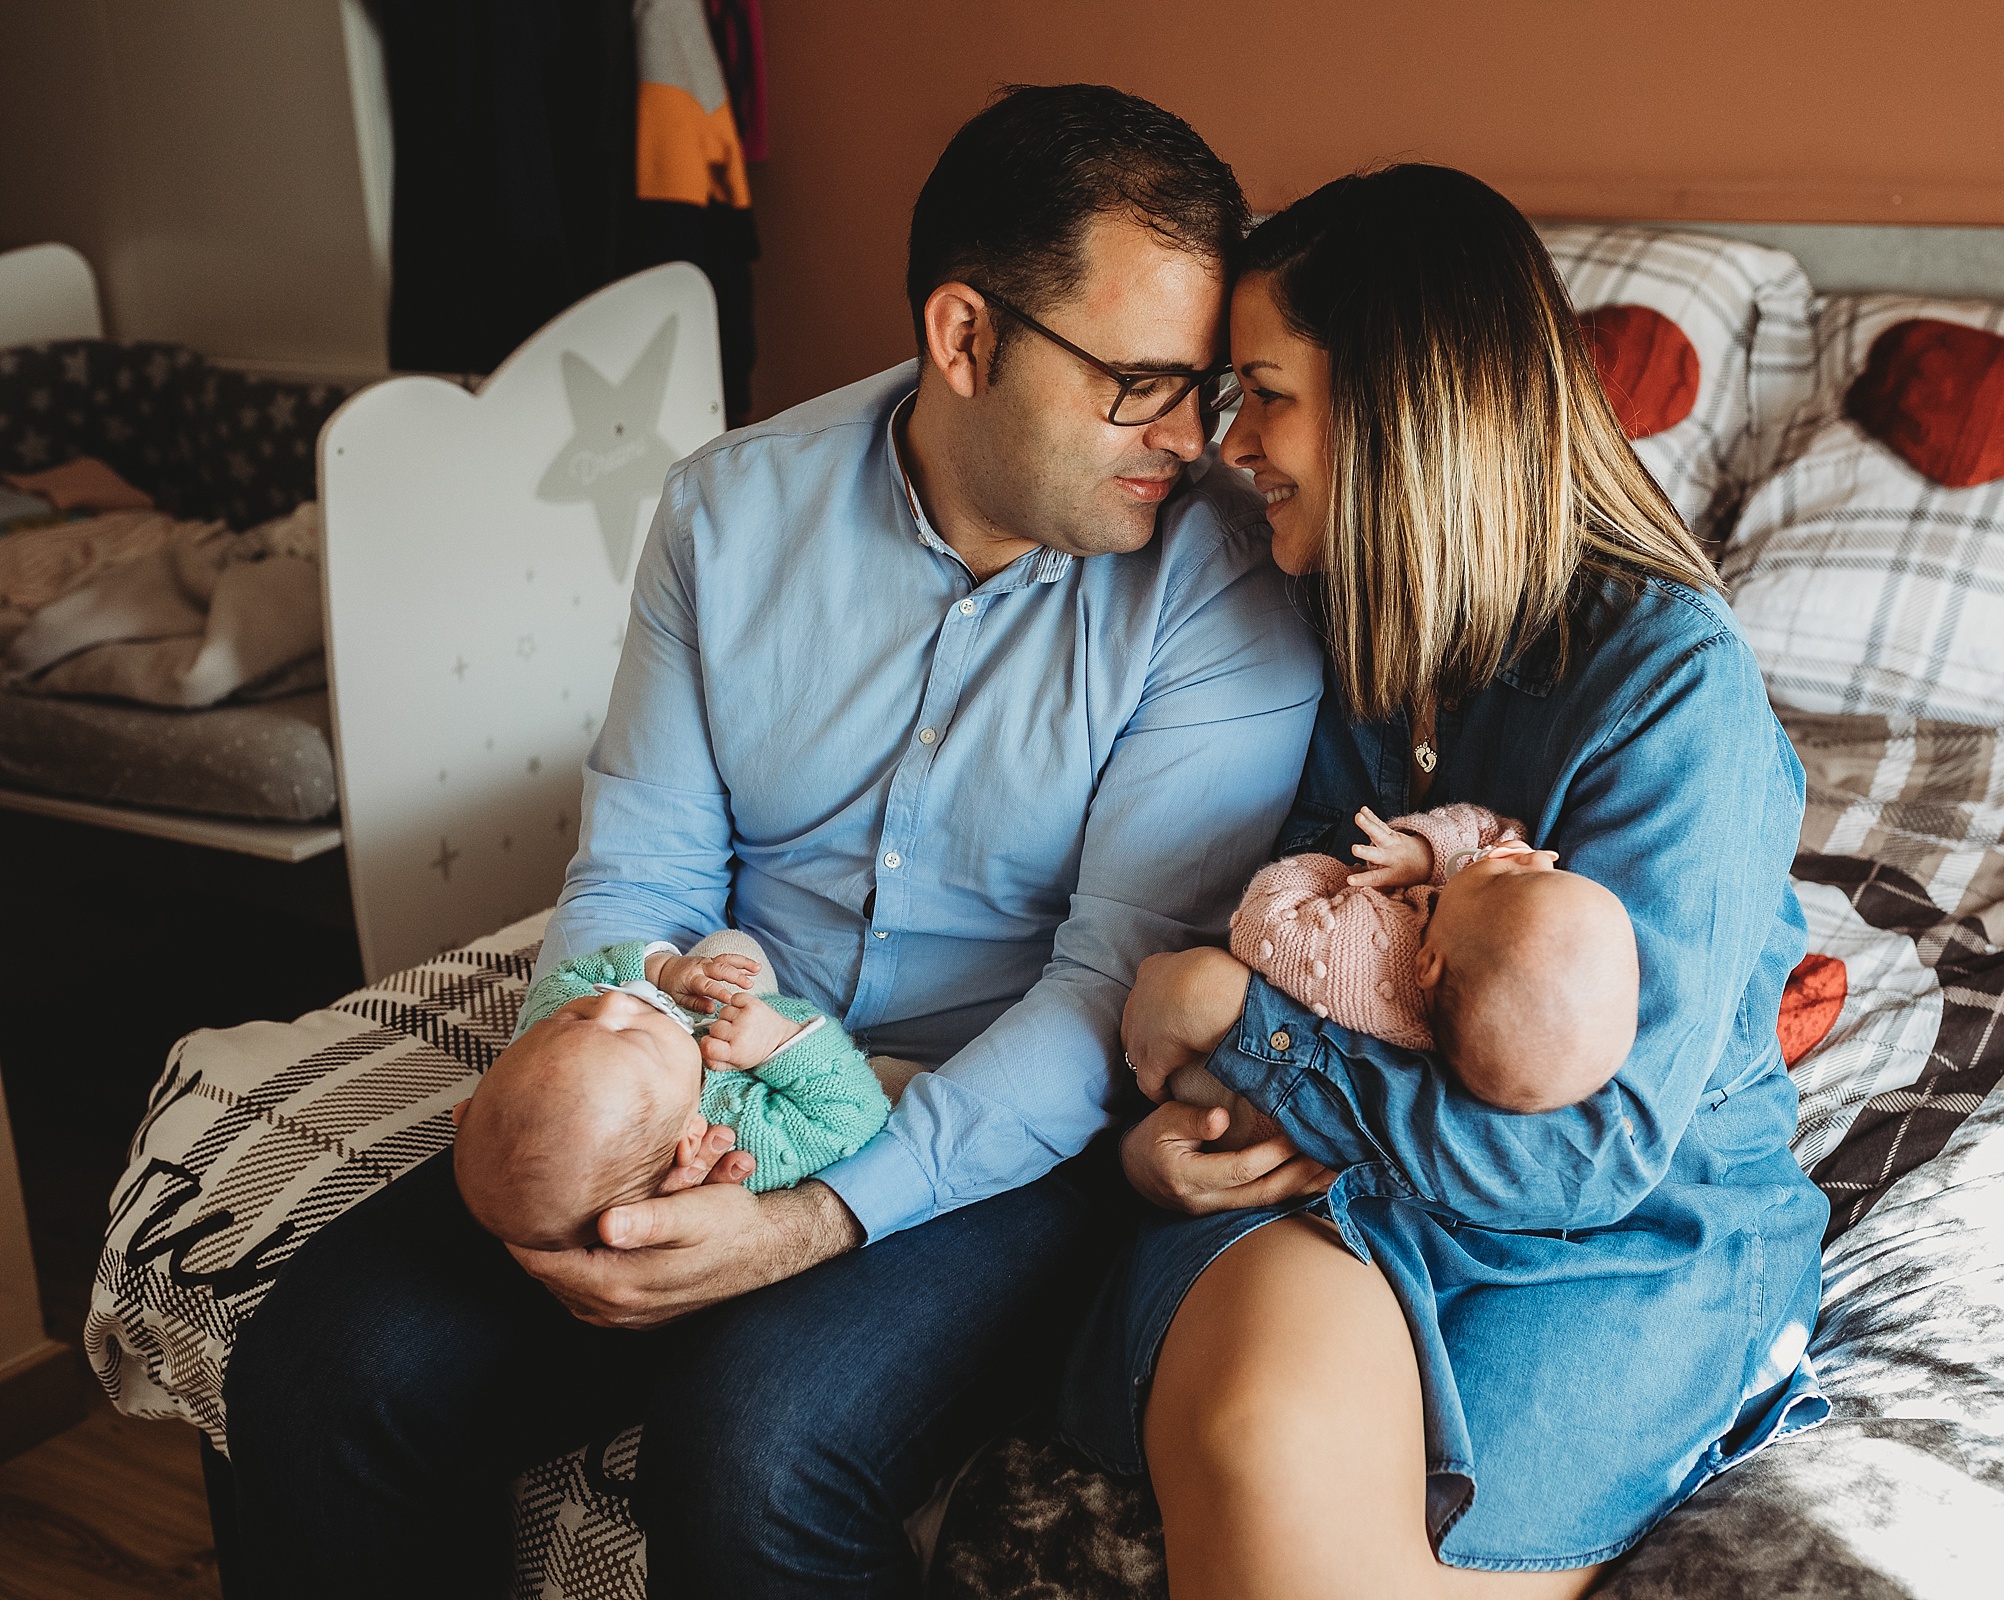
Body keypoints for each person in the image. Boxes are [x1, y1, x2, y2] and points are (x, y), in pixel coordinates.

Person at [222, 84, 1324, 1597]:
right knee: (321, 1364)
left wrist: (810, 1221)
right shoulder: (729, 517)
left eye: (1205, 388)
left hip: (1003, 1123)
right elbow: (643, 869)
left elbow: (1105, 992)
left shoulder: (1225, 592)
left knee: (751, 1449)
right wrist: (624, 1118)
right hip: (723, 1065)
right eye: (1140, 383)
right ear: (964, 337)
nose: (1187, 439)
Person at [1066, 165, 1831, 1599]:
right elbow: (1215, 955)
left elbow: (1586, 1156)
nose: (1233, 447)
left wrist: (1250, 1035)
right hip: (1347, 1180)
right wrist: (1149, 1145)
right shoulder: (1330, 628)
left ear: (1402, 402)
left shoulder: (1672, 689)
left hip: (1619, 1234)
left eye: (1265, 393)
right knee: (1254, 1436)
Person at [1157, 802, 1639, 1138]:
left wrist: (1338, 878)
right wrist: (1427, 857)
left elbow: (1262, 921)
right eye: (1553, 872)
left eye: (1513, 877)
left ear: (1426, 964)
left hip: (1221, 1094)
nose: (1542, 856)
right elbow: (1495, 834)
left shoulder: (1367, 960)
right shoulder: (1467, 957)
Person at [451, 930, 892, 1251]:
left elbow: (564, 980)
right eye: (632, 1035)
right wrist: (776, 1045)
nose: (614, 1000)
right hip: (832, 1069)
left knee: (730, 948)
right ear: (690, 1137)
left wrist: (663, 970)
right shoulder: (737, 1137)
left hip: (716, 1004)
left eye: (576, 1019)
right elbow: (850, 1115)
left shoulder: (549, 1033)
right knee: (897, 1083)